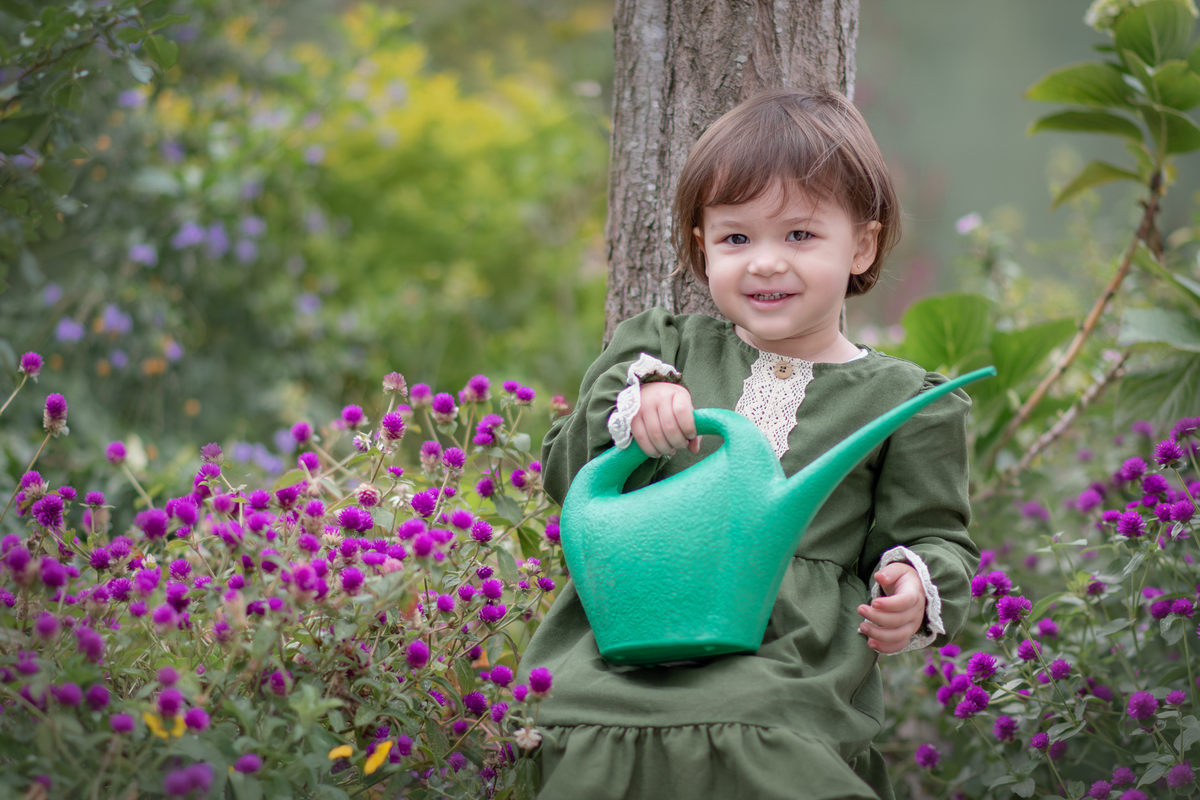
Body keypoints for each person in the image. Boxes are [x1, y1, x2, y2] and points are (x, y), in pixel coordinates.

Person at [518, 88, 979, 800]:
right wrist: (636, 409)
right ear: (702, 245)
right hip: (630, 632)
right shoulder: (661, 348)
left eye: (799, 235)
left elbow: (934, 534)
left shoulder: (906, 402)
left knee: (759, 725)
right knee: (587, 728)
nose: (765, 263)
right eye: (737, 238)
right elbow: (567, 476)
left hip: (788, 660)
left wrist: (915, 585)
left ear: (862, 245)